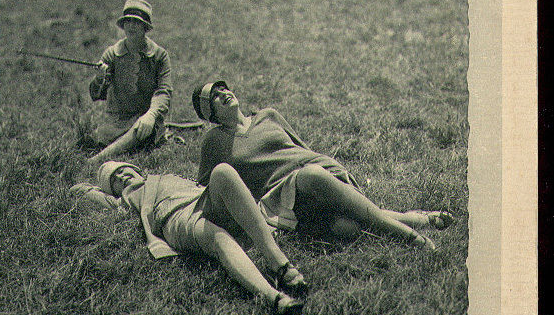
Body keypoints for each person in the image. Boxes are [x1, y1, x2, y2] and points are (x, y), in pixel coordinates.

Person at [192, 80, 455, 250]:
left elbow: (302, 149)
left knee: (339, 217)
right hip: (284, 197)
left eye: (223, 88)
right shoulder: (215, 142)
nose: (223, 93)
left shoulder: (268, 115)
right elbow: (207, 189)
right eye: (214, 96)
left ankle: (408, 227)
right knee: (344, 223)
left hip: (319, 175)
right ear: (210, 114)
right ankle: (410, 224)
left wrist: (325, 173)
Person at [70, 161, 310, 315]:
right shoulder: (125, 199)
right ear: (112, 191)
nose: (122, 176)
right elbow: (79, 190)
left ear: (136, 169)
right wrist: (99, 187)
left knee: (223, 170)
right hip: (175, 216)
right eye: (114, 180)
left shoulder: (163, 176)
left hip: (202, 199)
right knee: (216, 237)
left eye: (123, 170)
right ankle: (274, 298)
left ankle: (280, 265)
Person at [87, 0, 173, 168]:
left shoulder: (159, 56)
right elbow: (97, 94)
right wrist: (99, 78)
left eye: (137, 22)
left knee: (144, 130)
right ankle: (120, 146)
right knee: (104, 134)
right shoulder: (112, 54)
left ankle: (98, 158)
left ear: (145, 27)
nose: (131, 26)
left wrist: (151, 115)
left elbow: (164, 92)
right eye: (128, 21)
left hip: (145, 119)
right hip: (117, 120)